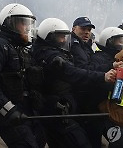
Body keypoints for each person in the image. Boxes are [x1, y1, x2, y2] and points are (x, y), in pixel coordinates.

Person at [32, 17, 116, 148]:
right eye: (59, 37)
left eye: (64, 37)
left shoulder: (67, 50)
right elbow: (74, 72)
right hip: (56, 109)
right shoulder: (51, 55)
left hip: (62, 107)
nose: (63, 40)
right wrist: (103, 76)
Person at [0, 3, 46, 148]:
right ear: (10, 23)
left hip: (26, 110)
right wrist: (8, 109)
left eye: (28, 23)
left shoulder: (22, 49)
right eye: (22, 22)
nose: (27, 27)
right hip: (7, 114)